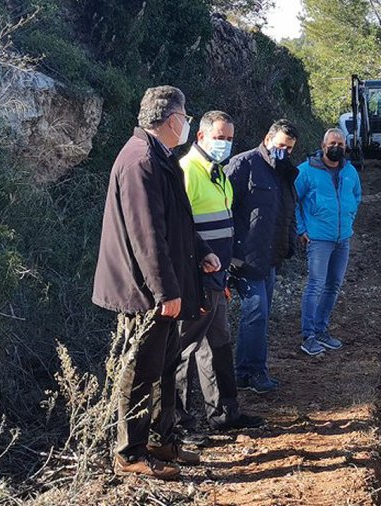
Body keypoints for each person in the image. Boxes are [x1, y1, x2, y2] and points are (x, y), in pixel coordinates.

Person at [92, 86, 215, 479]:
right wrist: (165, 292)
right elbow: (147, 236)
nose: (187, 125)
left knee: (164, 365)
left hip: (160, 286)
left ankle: (162, 440)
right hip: (143, 292)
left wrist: (201, 250)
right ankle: (129, 455)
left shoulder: (159, 157)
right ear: (173, 120)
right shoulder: (141, 161)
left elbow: (175, 221)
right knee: (140, 369)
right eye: (186, 117)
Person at [175, 111, 264, 436]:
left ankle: (225, 414)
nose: (224, 144)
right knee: (183, 350)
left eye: (229, 139)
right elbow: (178, 229)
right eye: (219, 137)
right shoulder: (188, 171)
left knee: (218, 345)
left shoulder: (218, 172)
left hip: (217, 278)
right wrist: (197, 264)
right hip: (196, 279)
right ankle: (179, 425)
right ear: (201, 137)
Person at [225, 119, 300, 394]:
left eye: (289, 148)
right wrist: (230, 254)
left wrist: (289, 245)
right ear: (267, 139)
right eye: (281, 145)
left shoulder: (284, 172)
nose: (284, 152)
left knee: (258, 316)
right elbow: (224, 209)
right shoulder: (243, 165)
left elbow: (289, 210)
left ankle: (244, 372)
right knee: (256, 314)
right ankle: (255, 372)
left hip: (270, 256)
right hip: (246, 256)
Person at [295, 128, 362, 356]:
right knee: (315, 285)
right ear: (323, 146)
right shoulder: (305, 171)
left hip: (342, 239)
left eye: (341, 144)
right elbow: (293, 200)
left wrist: (350, 216)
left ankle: (322, 330)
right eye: (332, 143)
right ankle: (309, 336)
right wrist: (301, 229)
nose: (337, 147)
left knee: (333, 286)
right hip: (318, 239)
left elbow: (356, 195)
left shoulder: (350, 171)